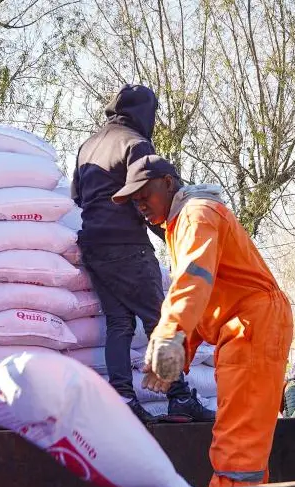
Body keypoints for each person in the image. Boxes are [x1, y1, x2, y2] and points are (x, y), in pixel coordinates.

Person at [114, 154, 293, 487]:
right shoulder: (185, 223)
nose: (139, 203)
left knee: (238, 442)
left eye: (144, 193)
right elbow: (202, 299)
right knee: (240, 438)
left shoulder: (197, 216)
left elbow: (193, 280)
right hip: (244, 326)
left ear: (168, 183)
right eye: (133, 199)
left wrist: (169, 337)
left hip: (251, 325)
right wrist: (178, 355)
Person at [72, 84, 213, 425]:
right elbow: (149, 198)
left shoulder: (87, 146)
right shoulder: (135, 144)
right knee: (159, 320)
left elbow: (78, 197)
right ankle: (179, 397)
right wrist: (175, 235)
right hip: (127, 245)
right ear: (145, 113)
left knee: (119, 323)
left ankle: (122, 398)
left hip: (92, 243)